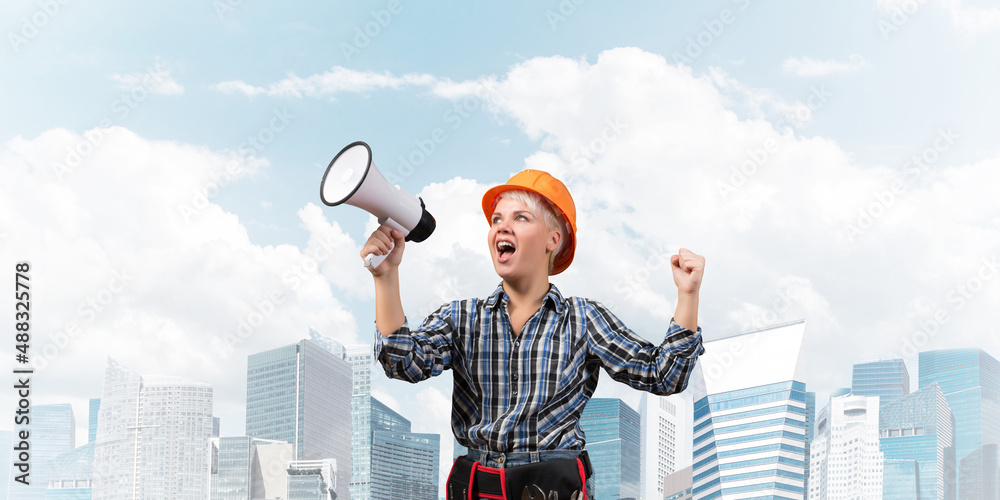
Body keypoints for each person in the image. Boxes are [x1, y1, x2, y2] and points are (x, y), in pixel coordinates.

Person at [363, 169, 705, 500]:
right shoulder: (461, 318)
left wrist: (688, 296)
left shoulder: (582, 319)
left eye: (520, 218)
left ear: (553, 240)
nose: (502, 227)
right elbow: (403, 363)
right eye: (497, 219)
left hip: (552, 484)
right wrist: (386, 276)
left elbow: (664, 376)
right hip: (477, 485)